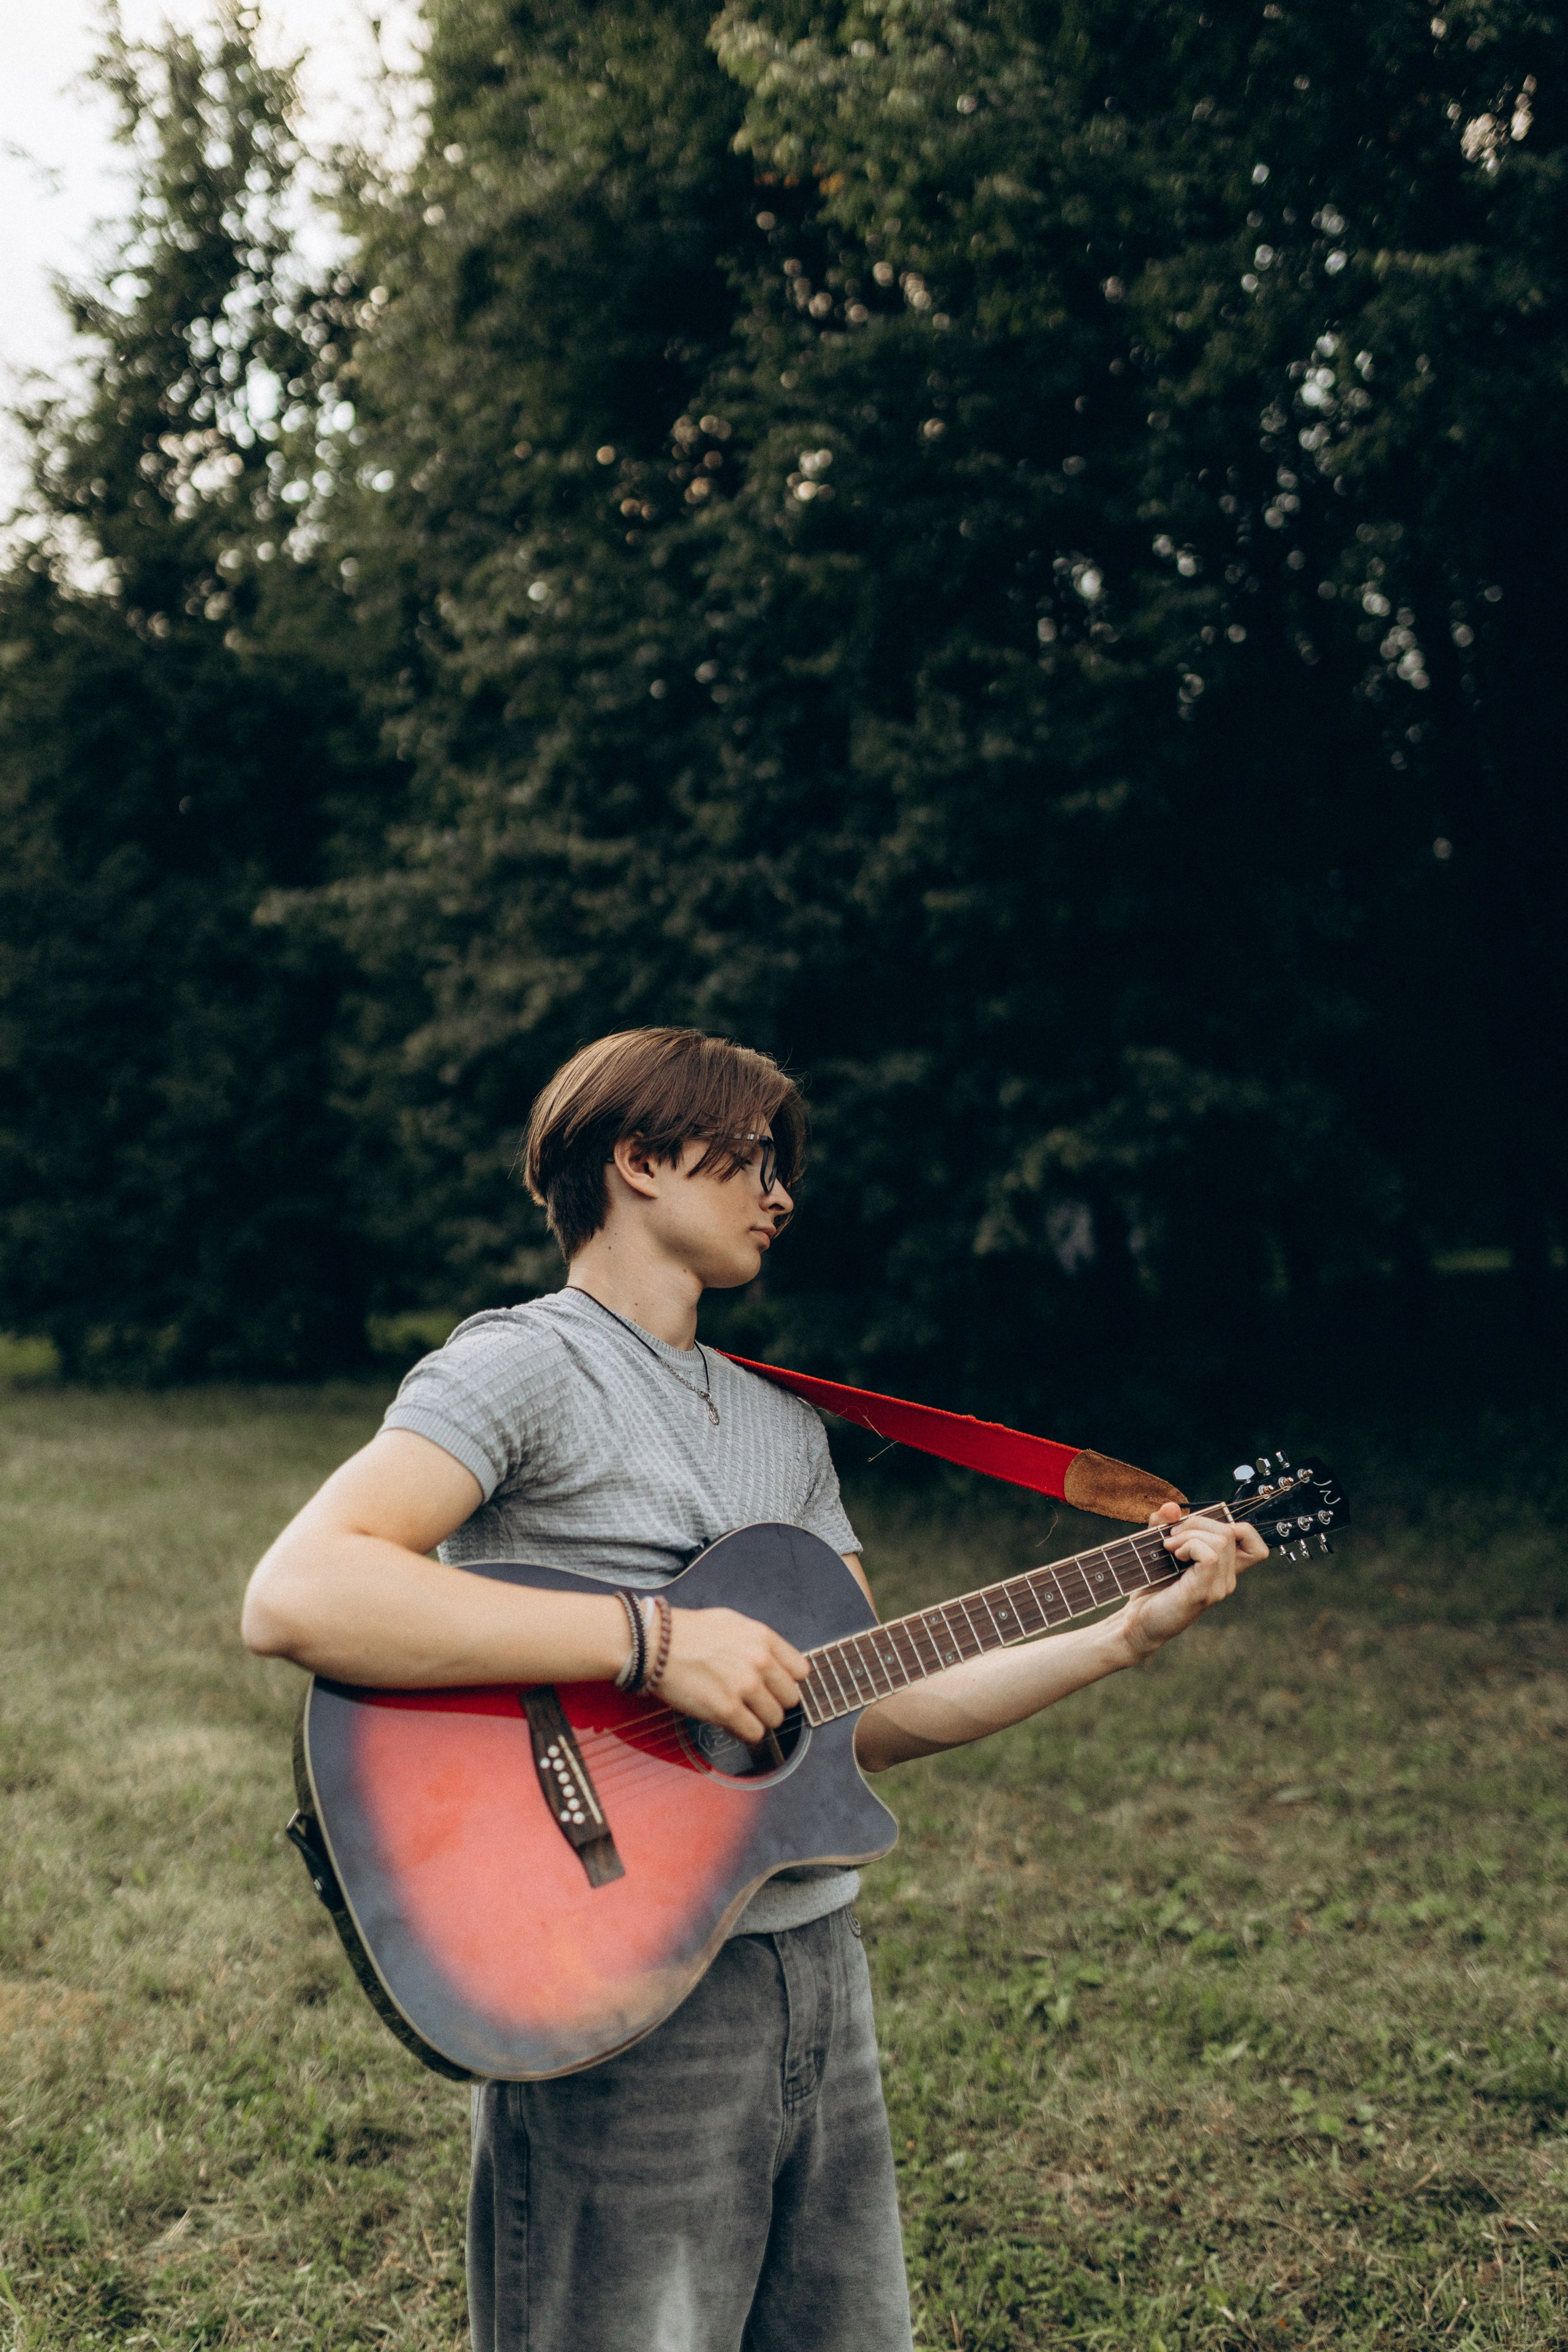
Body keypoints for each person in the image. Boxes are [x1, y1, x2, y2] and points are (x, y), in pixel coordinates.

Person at [242, 1025, 1265, 2352]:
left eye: (783, 1167)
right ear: (642, 1159)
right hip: (608, 1972)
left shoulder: (784, 1426)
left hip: (811, 1972)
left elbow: (866, 1715)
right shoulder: (522, 1364)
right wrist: (651, 1644)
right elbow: (300, 1591)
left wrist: (1123, 1634)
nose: (781, 1194)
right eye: (751, 1158)